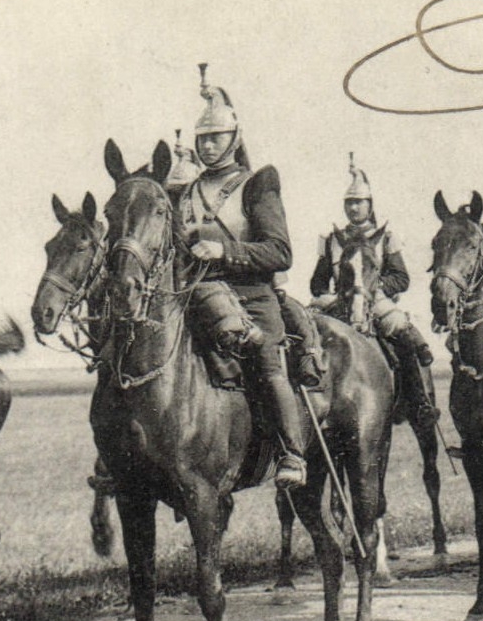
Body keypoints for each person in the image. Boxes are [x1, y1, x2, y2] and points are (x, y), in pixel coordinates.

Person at [175, 65, 307, 488]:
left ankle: (292, 455)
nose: (209, 145)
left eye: (216, 136)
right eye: (203, 138)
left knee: (268, 368)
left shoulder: (257, 183)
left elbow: (280, 252)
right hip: (196, 297)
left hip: (251, 298)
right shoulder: (186, 192)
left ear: (234, 137)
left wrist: (224, 250)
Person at [308, 153, 436, 420]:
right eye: (349, 203)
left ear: (369, 205)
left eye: (359, 203)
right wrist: (331, 296)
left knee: (402, 331)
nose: (354, 208)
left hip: (374, 298)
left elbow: (401, 278)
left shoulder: (385, 237)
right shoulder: (332, 238)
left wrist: (369, 288)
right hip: (339, 301)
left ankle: (418, 401)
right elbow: (318, 282)